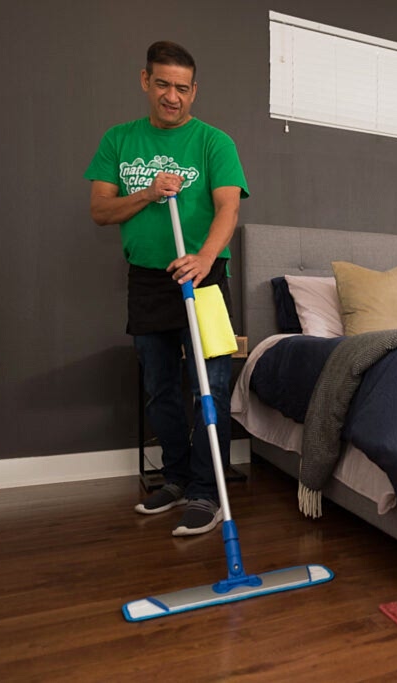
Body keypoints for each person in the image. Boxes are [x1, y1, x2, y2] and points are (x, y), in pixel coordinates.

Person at [85, 41, 249, 536]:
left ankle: (207, 491)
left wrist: (202, 259)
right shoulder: (119, 140)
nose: (172, 96)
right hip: (148, 279)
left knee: (212, 386)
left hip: (204, 278)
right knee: (160, 390)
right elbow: (99, 211)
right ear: (145, 81)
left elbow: (228, 208)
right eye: (163, 84)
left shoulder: (214, 142)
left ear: (193, 90)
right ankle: (175, 478)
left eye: (182, 88)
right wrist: (149, 193)